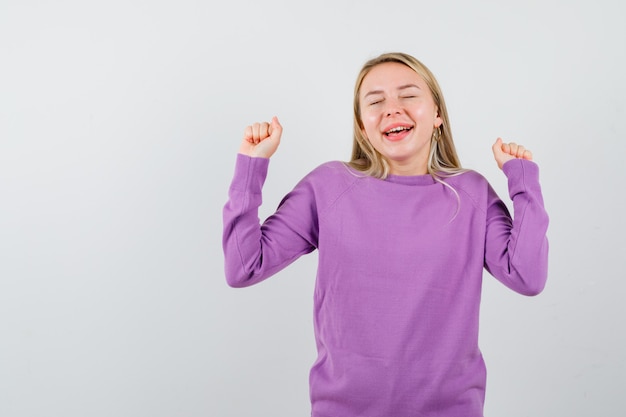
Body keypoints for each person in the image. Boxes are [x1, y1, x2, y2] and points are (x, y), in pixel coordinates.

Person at [222, 52, 549, 417]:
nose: (392, 109)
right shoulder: (328, 187)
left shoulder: (470, 193)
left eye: (408, 95)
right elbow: (244, 267)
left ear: (437, 114)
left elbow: (527, 276)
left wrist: (523, 183)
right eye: (376, 101)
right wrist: (251, 167)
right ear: (363, 127)